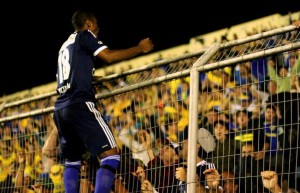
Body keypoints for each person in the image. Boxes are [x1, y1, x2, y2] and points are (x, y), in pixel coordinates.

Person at [53, 9, 154, 193]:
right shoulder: (84, 35)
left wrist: (91, 79)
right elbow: (107, 56)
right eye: (96, 24)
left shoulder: (64, 46)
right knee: (111, 156)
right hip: (80, 104)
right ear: (89, 24)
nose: (98, 28)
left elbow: (68, 75)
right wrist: (140, 48)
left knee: (73, 161)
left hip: (60, 107)